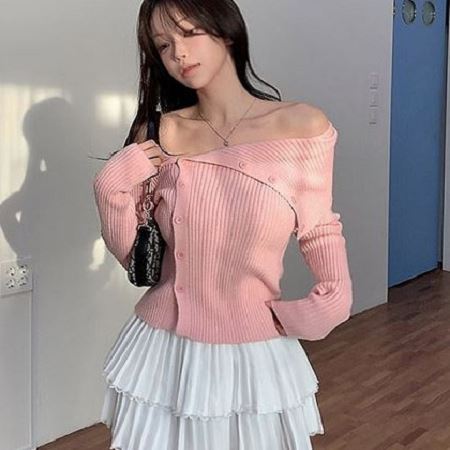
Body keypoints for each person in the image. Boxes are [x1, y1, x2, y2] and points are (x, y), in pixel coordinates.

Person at [93, 0, 353, 449]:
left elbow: (318, 229)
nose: (178, 53)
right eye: (163, 45)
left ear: (227, 30)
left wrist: (329, 299)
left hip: (253, 351)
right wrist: (109, 188)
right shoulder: (158, 134)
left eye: (189, 32)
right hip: (163, 350)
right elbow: (136, 259)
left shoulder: (302, 127)